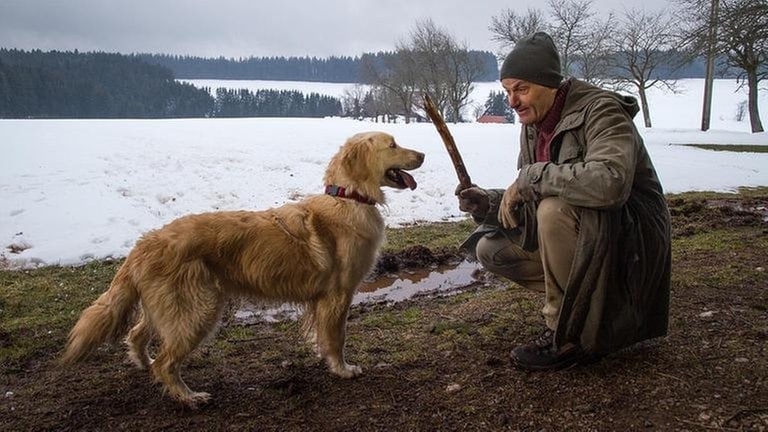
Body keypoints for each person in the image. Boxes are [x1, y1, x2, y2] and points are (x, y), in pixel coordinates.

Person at [457, 32, 671, 371]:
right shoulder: (534, 123)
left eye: (521, 89)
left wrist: (530, 178)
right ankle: (594, 312)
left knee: (553, 210)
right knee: (490, 249)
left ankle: (566, 336)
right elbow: (534, 191)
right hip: (586, 237)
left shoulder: (602, 111)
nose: (512, 102)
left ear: (551, 84)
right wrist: (491, 203)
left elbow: (610, 183)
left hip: (631, 244)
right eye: (507, 91)